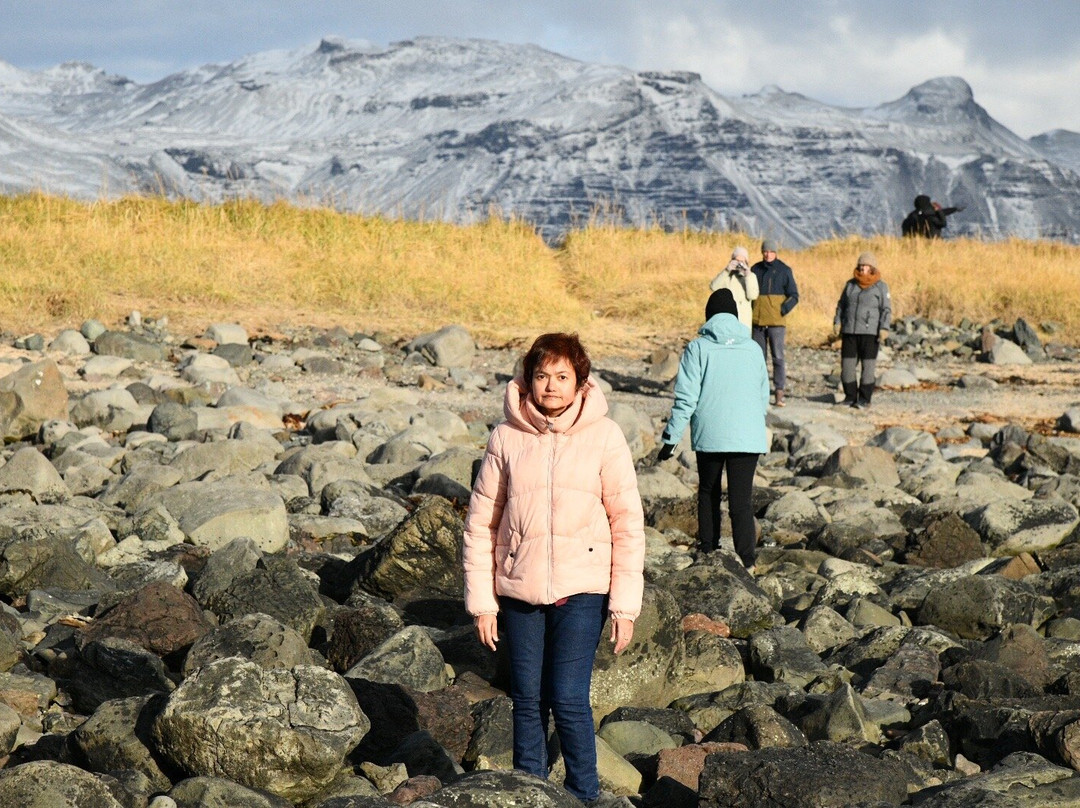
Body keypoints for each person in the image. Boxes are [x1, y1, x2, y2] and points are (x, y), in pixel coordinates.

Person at [462, 332, 646, 805]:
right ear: (528, 380)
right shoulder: (506, 437)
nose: (551, 386)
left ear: (580, 382)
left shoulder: (605, 436)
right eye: (542, 376)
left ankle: (582, 795)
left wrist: (624, 608)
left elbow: (627, 524)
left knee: (567, 697)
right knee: (526, 699)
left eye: (562, 376)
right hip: (519, 589)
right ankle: (531, 793)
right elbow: (481, 523)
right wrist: (483, 604)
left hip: (583, 589)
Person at [657, 289, 769, 569]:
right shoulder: (753, 348)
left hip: (711, 435)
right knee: (741, 502)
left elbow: (686, 399)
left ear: (709, 316)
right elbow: (763, 396)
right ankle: (748, 562)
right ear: (735, 316)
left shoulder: (698, 348)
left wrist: (670, 440)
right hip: (747, 437)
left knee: (708, 492)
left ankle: (708, 551)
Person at [832, 251, 891, 409]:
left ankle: (865, 399)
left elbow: (886, 309)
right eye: (861, 265)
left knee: (868, 368)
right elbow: (841, 305)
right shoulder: (850, 285)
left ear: (872, 268)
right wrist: (837, 322)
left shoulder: (881, 287)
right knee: (847, 367)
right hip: (850, 331)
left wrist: (884, 328)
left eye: (866, 266)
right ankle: (850, 397)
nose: (863, 268)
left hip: (870, 333)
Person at [750, 238, 798, 407]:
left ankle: (779, 392)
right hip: (757, 322)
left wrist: (782, 310)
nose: (768, 254)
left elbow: (794, 296)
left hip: (777, 323)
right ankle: (759, 391)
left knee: (778, 357)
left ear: (775, 253)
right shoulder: (755, 270)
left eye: (771, 251)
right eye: (765, 251)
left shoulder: (784, 270)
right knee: (758, 359)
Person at [709, 245, 759, 330]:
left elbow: (752, 296)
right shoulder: (726, 276)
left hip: (743, 321)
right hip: (728, 320)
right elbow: (714, 287)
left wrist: (747, 275)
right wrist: (726, 270)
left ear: (746, 262)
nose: (739, 264)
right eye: (736, 260)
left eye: (742, 261)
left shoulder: (751, 276)